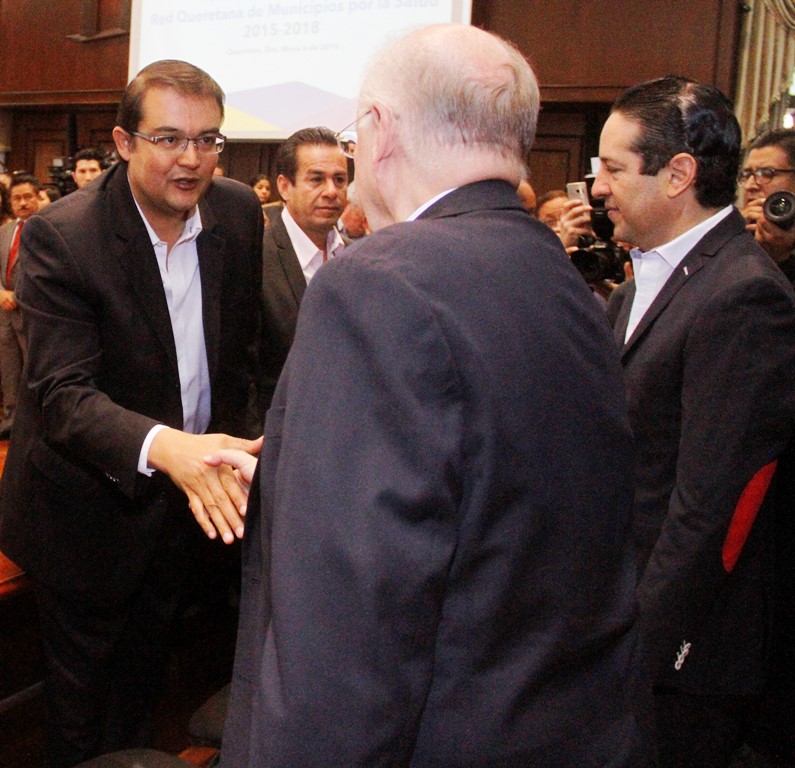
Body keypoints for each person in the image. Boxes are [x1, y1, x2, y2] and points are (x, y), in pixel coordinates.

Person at [214, 23, 648, 768]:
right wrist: (302, 480)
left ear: (379, 131)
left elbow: (346, 633)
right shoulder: (557, 274)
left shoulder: (375, 283)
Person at [0, 59, 263, 768]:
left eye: (207, 140)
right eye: (169, 139)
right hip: (83, 514)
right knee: (81, 713)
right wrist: (168, 447)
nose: (192, 159)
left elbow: (239, 354)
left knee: (148, 687)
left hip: (185, 510)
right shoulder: (64, 235)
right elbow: (61, 394)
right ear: (123, 142)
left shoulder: (238, 213)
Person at [593, 75, 795, 767]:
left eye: (614, 168)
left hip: (680, 659)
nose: (598, 187)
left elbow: (709, 508)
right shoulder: (634, 291)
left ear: (677, 174)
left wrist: (638, 648)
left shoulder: (743, 295)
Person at [256, 126, 348, 413]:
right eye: (316, 179)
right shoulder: (256, 256)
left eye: (340, 180)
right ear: (285, 187)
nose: (331, 191)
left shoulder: (358, 258)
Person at [0, 172, 41, 438]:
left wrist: (18, 295)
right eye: (17, 198)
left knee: (32, 367)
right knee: (9, 366)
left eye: (28, 197)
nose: (23, 203)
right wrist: (1, 293)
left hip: (31, 310)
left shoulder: (46, 228)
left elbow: (42, 271)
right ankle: (10, 419)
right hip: (4, 311)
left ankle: (34, 422)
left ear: (37, 197)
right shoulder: (4, 231)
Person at [739, 128, 795, 281]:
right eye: (746, 175)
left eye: (767, 173)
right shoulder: (734, 233)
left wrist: (780, 257)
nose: (750, 185)